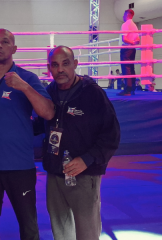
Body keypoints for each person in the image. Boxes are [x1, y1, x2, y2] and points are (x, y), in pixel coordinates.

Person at [0, 28, 55, 240]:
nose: (0, 45)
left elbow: (48, 112)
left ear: (14, 48)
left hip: (20, 167)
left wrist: (25, 88)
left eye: (5, 42)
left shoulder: (27, 77)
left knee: (28, 225)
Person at [38, 46, 120, 240]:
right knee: (61, 230)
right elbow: (40, 124)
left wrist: (87, 159)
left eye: (65, 64)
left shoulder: (92, 93)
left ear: (75, 64)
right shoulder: (49, 92)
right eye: (55, 65)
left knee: (87, 232)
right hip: (55, 172)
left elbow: (112, 135)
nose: (60, 70)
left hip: (84, 174)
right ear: (49, 68)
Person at [117, 9, 140, 96]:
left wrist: (132, 42)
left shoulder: (125, 24)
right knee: (131, 67)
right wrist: (133, 43)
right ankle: (132, 89)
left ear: (127, 15)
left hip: (126, 48)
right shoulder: (134, 26)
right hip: (132, 49)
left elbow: (124, 39)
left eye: (124, 14)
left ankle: (127, 90)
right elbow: (138, 40)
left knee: (126, 68)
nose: (123, 16)